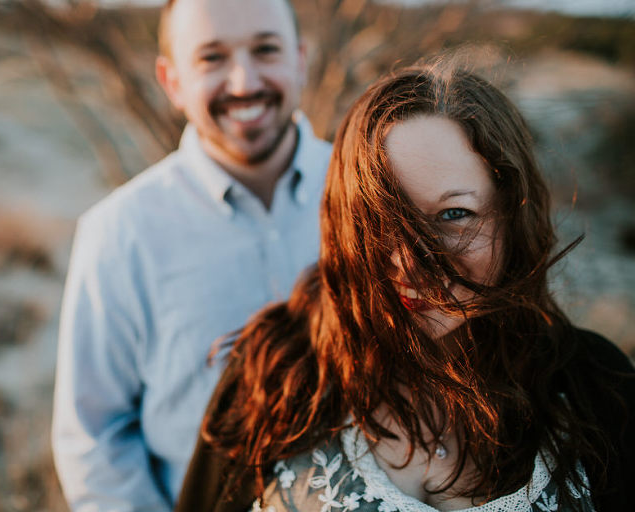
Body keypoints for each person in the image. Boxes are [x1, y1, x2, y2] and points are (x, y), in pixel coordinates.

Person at [176, 64, 635, 512]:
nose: (410, 265)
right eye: (380, 222)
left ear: (512, 216)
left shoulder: (597, 388)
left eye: (454, 215)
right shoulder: (274, 373)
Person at [51, 0, 332, 509]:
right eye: (211, 58)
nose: (244, 81)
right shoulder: (119, 234)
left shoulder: (375, 198)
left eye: (266, 49)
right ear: (172, 80)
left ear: (301, 59)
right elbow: (92, 438)